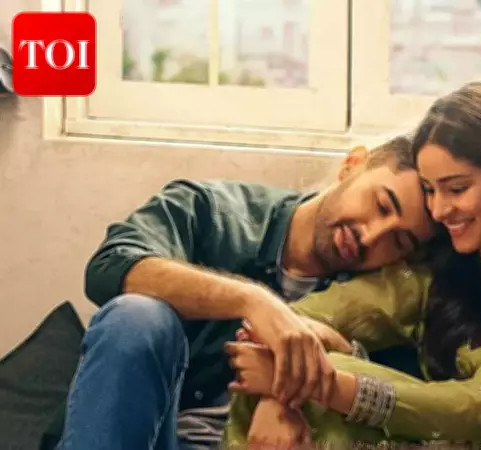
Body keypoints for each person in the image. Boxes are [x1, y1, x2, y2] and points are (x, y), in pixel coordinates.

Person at [223, 81, 481, 449]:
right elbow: (301, 318)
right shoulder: (441, 275)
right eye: (430, 191)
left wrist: (318, 383)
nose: (439, 210)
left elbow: (474, 409)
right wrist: (283, 389)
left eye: (457, 188)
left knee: (330, 379)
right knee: (299, 373)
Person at [49, 136, 443, 450]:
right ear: (352, 164)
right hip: (143, 437)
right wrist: (254, 302)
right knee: (137, 317)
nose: (371, 236)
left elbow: (401, 405)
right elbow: (109, 267)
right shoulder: (212, 210)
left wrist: (300, 381)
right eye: (381, 205)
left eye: (399, 241)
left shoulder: (385, 298)